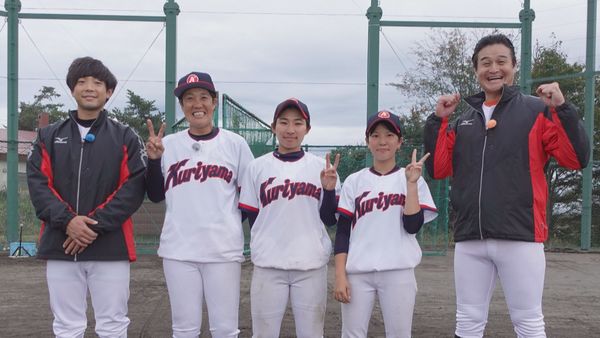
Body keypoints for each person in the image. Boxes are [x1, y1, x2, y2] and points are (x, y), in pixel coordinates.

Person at [423, 33, 590, 338]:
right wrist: (438, 121)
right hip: (470, 239)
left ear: (514, 66)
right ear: (476, 70)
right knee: (467, 322)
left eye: (501, 61)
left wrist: (562, 108)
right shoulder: (463, 119)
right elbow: (437, 168)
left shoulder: (536, 110)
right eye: (485, 62)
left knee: (528, 322)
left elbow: (576, 158)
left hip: (521, 236)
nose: (493, 68)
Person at [26, 56, 147, 337]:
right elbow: (38, 186)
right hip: (61, 245)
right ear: (72, 89)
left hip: (110, 247)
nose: (89, 87)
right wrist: (68, 222)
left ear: (109, 91)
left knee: (113, 324)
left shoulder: (126, 136)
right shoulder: (47, 135)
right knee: (67, 326)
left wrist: (90, 226)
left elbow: (133, 187)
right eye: (81, 82)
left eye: (97, 82)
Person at [145, 71, 254, 338]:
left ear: (214, 102)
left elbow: (249, 197)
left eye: (204, 97)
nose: (197, 104)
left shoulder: (235, 144)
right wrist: (154, 161)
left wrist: (224, 222)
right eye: (189, 98)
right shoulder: (167, 145)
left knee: (226, 329)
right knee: (184, 329)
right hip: (179, 251)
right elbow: (156, 195)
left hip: (223, 252)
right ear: (182, 106)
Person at [238, 98, 340, 338]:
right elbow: (252, 215)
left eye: (297, 123)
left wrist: (328, 190)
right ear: (274, 127)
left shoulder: (321, 168)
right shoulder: (256, 167)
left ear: (307, 129)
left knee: (312, 333)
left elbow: (330, 219)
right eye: (283, 122)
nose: (290, 129)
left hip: (311, 264)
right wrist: (269, 240)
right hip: (268, 264)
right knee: (263, 334)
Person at [333, 110, 438, 338]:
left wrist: (411, 185)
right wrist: (340, 275)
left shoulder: (412, 177)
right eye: (376, 135)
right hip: (358, 272)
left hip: (398, 271)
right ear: (367, 141)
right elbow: (342, 233)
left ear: (400, 142)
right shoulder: (354, 181)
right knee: (351, 334)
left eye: (389, 135)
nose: (382, 141)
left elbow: (412, 227)